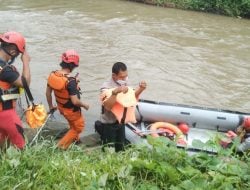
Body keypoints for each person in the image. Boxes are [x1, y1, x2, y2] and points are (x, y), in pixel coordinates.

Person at [97, 62, 146, 152]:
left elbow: (132, 98)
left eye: (126, 76)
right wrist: (115, 93)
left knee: (121, 148)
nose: (124, 79)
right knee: (109, 150)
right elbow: (107, 107)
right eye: (122, 77)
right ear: (114, 75)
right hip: (109, 123)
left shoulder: (125, 83)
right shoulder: (105, 87)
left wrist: (141, 89)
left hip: (121, 123)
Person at [46, 49, 89, 149]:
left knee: (72, 124)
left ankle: (75, 140)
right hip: (72, 110)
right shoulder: (70, 81)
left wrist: (51, 106)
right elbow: (75, 101)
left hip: (61, 108)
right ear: (72, 65)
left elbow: (48, 93)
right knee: (78, 127)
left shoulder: (53, 75)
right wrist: (84, 105)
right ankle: (60, 147)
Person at [0, 31, 31, 149]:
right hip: (5, 113)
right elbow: (25, 83)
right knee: (21, 145)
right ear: (13, 51)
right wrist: (26, 62)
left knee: (3, 138)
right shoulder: (5, 70)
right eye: (18, 54)